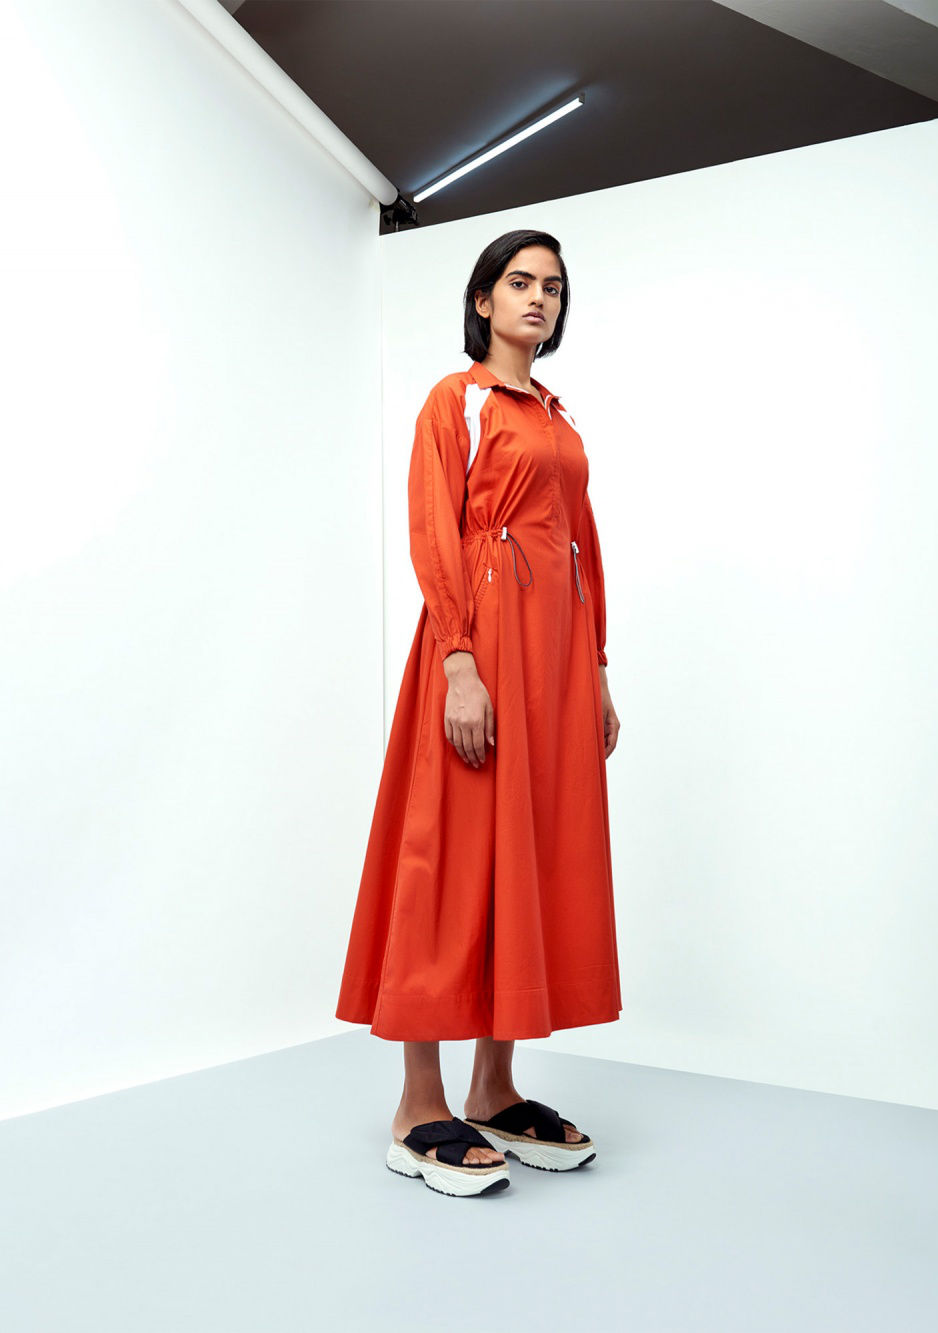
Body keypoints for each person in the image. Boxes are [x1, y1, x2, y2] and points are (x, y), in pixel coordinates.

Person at [335, 229, 622, 1197]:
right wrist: (458, 660)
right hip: (481, 652)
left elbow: (580, 547)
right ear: (483, 300)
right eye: (520, 282)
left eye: (554, 287)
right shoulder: (454, 401)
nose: (539, 297)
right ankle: (417, 1104)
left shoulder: (559, 419)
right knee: (445, 857)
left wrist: (597, 667)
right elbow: (434, 529)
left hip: (556, 664)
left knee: (525, 854)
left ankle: (494, 1088)